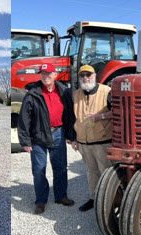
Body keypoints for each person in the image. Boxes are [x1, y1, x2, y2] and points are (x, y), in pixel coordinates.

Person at [17, 63, 77, 214]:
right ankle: (41, 201)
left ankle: (61, 196)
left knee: (61, 168)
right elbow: (24, 118)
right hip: (38, 136)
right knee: (38, 170)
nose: (46, 77)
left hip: (58, 133)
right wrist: (25, 141)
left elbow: (69, 115)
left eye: (48, 73)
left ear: (55, 75)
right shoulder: (32, 94)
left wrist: (71, 135)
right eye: (43, 74)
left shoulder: (64, 92)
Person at [69, 65, 113, 212]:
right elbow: (71, 118)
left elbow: (118, 112)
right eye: (82, 76)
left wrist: (100, 116)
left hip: (102, 142)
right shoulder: (75, 95)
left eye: (89, 75)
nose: (86, 78)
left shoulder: (107, 91)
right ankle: (93, 199)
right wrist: (73, 139)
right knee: (91, 171)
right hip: (83, 142)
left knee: (106, 172)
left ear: (95, 76)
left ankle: (108, 202)